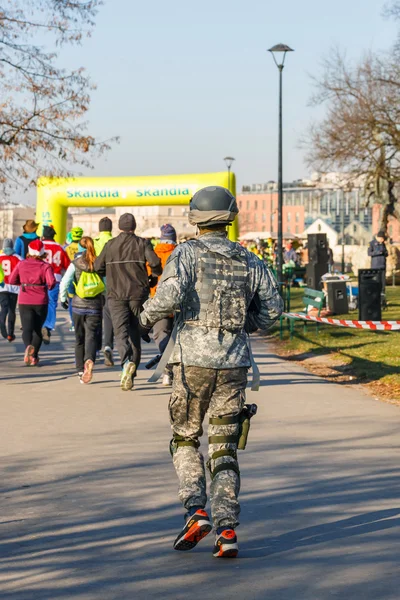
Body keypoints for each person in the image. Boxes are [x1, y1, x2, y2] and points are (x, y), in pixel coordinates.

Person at [139, 186, 283, 558]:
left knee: (185, 438)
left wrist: (144, 316)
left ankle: (195, 509)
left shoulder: (186, 254)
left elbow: (167, 298)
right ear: (230, 217)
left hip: (191, 363)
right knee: (224, 450)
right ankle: (227, 529)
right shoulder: (250, 260)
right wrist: (247, 325)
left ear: (195, 218)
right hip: (234, 363)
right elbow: (274, 308)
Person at [94, 213, 162, 391]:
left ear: (119, 227)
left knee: (120, 332)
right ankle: (132, 368)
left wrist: (109, 273)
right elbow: (155, 262)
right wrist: (153, 278)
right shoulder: (142, 243)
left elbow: (96, 267)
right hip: (138, 294)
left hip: (116, 295)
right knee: (135, 332)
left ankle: (126, 363)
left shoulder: (110, 245)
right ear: (134, 226)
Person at [60, 237, 103, 384]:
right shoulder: (98, 262)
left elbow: (65, 282)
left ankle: (80, 370)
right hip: (95, 306)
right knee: (91, 336)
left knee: (79, 339)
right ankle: (89, 359)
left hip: (78, 305)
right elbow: (106, 283)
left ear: (79, 247)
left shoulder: (75, 263)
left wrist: (63, 298)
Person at [9, 239, 56, 365]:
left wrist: (24, 284)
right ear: (42, 252)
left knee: (27, 329)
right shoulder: (46, 266)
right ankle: (34, 355)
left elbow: (12, 279)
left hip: (24, 299)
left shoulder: (21, 264)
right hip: (40, 300)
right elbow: (51, 283)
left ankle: (28, 347)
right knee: (37, 330)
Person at [148, 224, 178, 386]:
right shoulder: (181, 253)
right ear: (174, 238)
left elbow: (148, 276)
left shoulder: (154, 254)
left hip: (159, 300)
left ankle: (168, 368)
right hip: (180, 301)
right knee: (179, 337)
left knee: (161, 334)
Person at [41, 225, 70, 344]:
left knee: (40, 302)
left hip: (40, 279)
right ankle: (48, 326)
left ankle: (39, 323)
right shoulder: (59, 248)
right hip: (55, 279)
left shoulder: (39, 246)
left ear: (44, 235)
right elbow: (67, 265)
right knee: (52, 303)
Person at [93, 217, 114, 367]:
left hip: (94, 284)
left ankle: (94, 349)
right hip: (111, 283)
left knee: (94, 317)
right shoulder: (114, 242)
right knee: (108, 317)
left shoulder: (93, 242)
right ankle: (108, 346)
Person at [0, 238, 22, 341]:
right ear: (12, 246)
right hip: (14, 287)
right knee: (12, 310)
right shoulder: (18, 258)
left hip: (2, 287)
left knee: (4, 308)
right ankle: (10, 334)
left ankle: (1, 324)